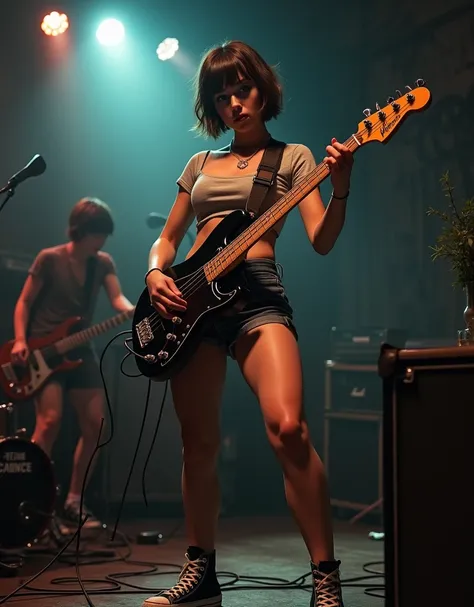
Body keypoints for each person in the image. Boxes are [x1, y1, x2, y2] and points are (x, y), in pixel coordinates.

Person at [144, 40, 353, 607]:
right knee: (198, 442)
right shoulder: (200, 166)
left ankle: (326, 576)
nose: (235, 102)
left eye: (243, 89)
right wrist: (155, 271)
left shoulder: (294, 159)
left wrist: (339, 187)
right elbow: (167, 237)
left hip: (257, 294)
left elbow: (322, 240)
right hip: (191, 304)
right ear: (212, 107)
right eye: (222, 95)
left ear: (263, 90)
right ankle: (200, 573)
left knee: (289, 429)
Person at [10, 197, 134, 529]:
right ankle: (35, 500)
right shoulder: (49, 259)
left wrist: (136, 308)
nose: (103, 241)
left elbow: (117, 299)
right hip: (43, 354)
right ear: (83, 231)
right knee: (49, 422)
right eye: (99, 234)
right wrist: (21, 340)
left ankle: (74, 501)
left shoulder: (103, 262)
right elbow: (24, 302)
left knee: (96, 424)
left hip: (81, 351)